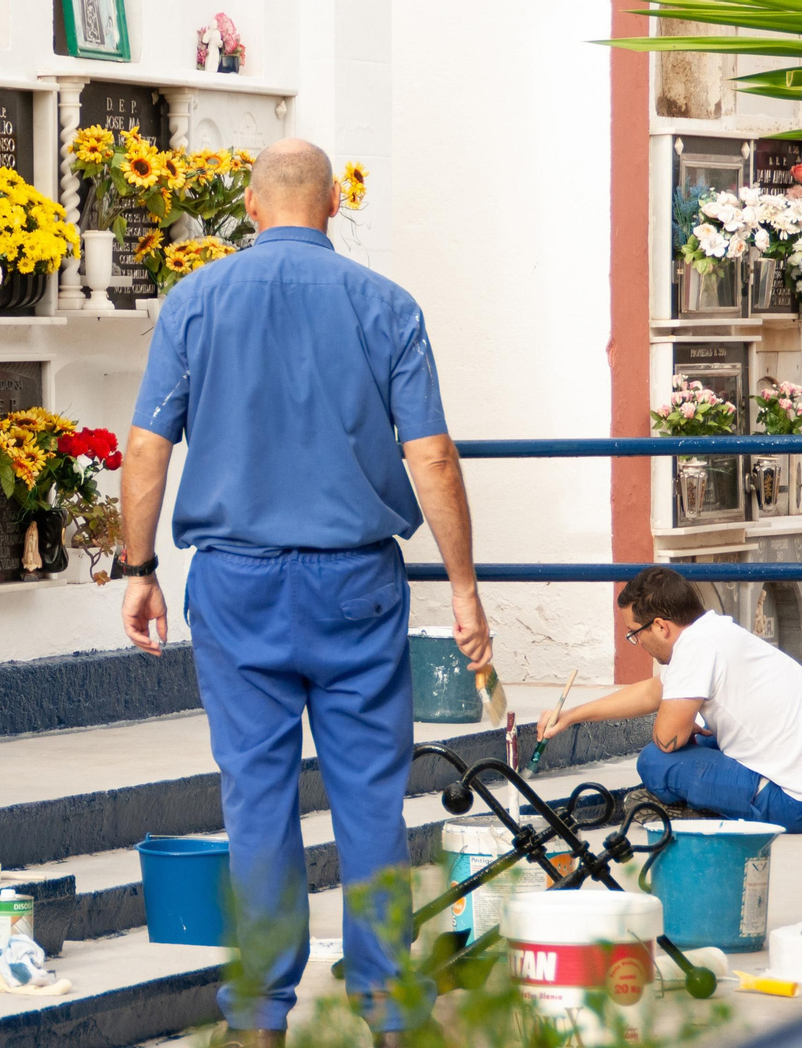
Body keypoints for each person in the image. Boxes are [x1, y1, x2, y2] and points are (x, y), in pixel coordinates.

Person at [119, 139, 490, 1048]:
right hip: (356, 584)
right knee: (368, 797)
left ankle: (256, 1019)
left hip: (236, 583)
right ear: (331, 207)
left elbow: (144, 449)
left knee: (257, 797)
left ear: (251, 207)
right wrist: (466, 589)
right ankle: (390, 1012)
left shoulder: (195, 301)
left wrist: (138, 570)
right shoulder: (387, 305)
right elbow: (431, 455)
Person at [537, 566, 802, 832]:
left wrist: (681, 722)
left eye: (635, 633)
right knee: (709, 738)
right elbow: (652, 691)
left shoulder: (694, 647)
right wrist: (572, 715)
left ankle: (707, 811)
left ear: (661, 626)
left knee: (656, 763)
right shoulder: (715, 630)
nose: (638, 642)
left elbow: (666, 741)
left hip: (792, 803)